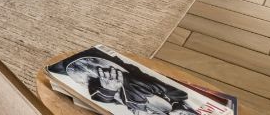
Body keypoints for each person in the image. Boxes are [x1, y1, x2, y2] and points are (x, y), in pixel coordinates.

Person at [57, 54, 197, 114]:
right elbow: (135, 81)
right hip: (98, 65)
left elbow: (107, 101)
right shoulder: (175, 95)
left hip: (86, 80)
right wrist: (111, 90)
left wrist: (109, 91)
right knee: (58, 69)